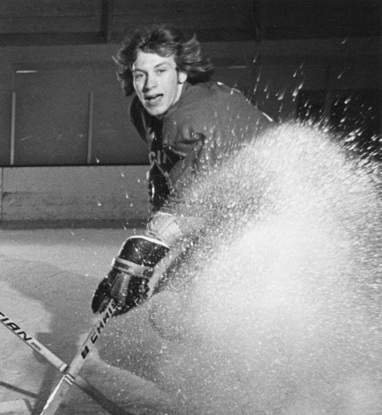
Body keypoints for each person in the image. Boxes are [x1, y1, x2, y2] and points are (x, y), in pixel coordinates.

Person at [91, 25, 274, 318]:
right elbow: (166, 169)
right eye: (140, 74)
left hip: (267, 220)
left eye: (161, 70)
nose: (149, 84)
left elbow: (198, 203)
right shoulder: (143, 112)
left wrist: (139, 257)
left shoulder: (193, 118)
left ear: (182, 73)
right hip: (227, 213)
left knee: (182, 312)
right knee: (169, 310)